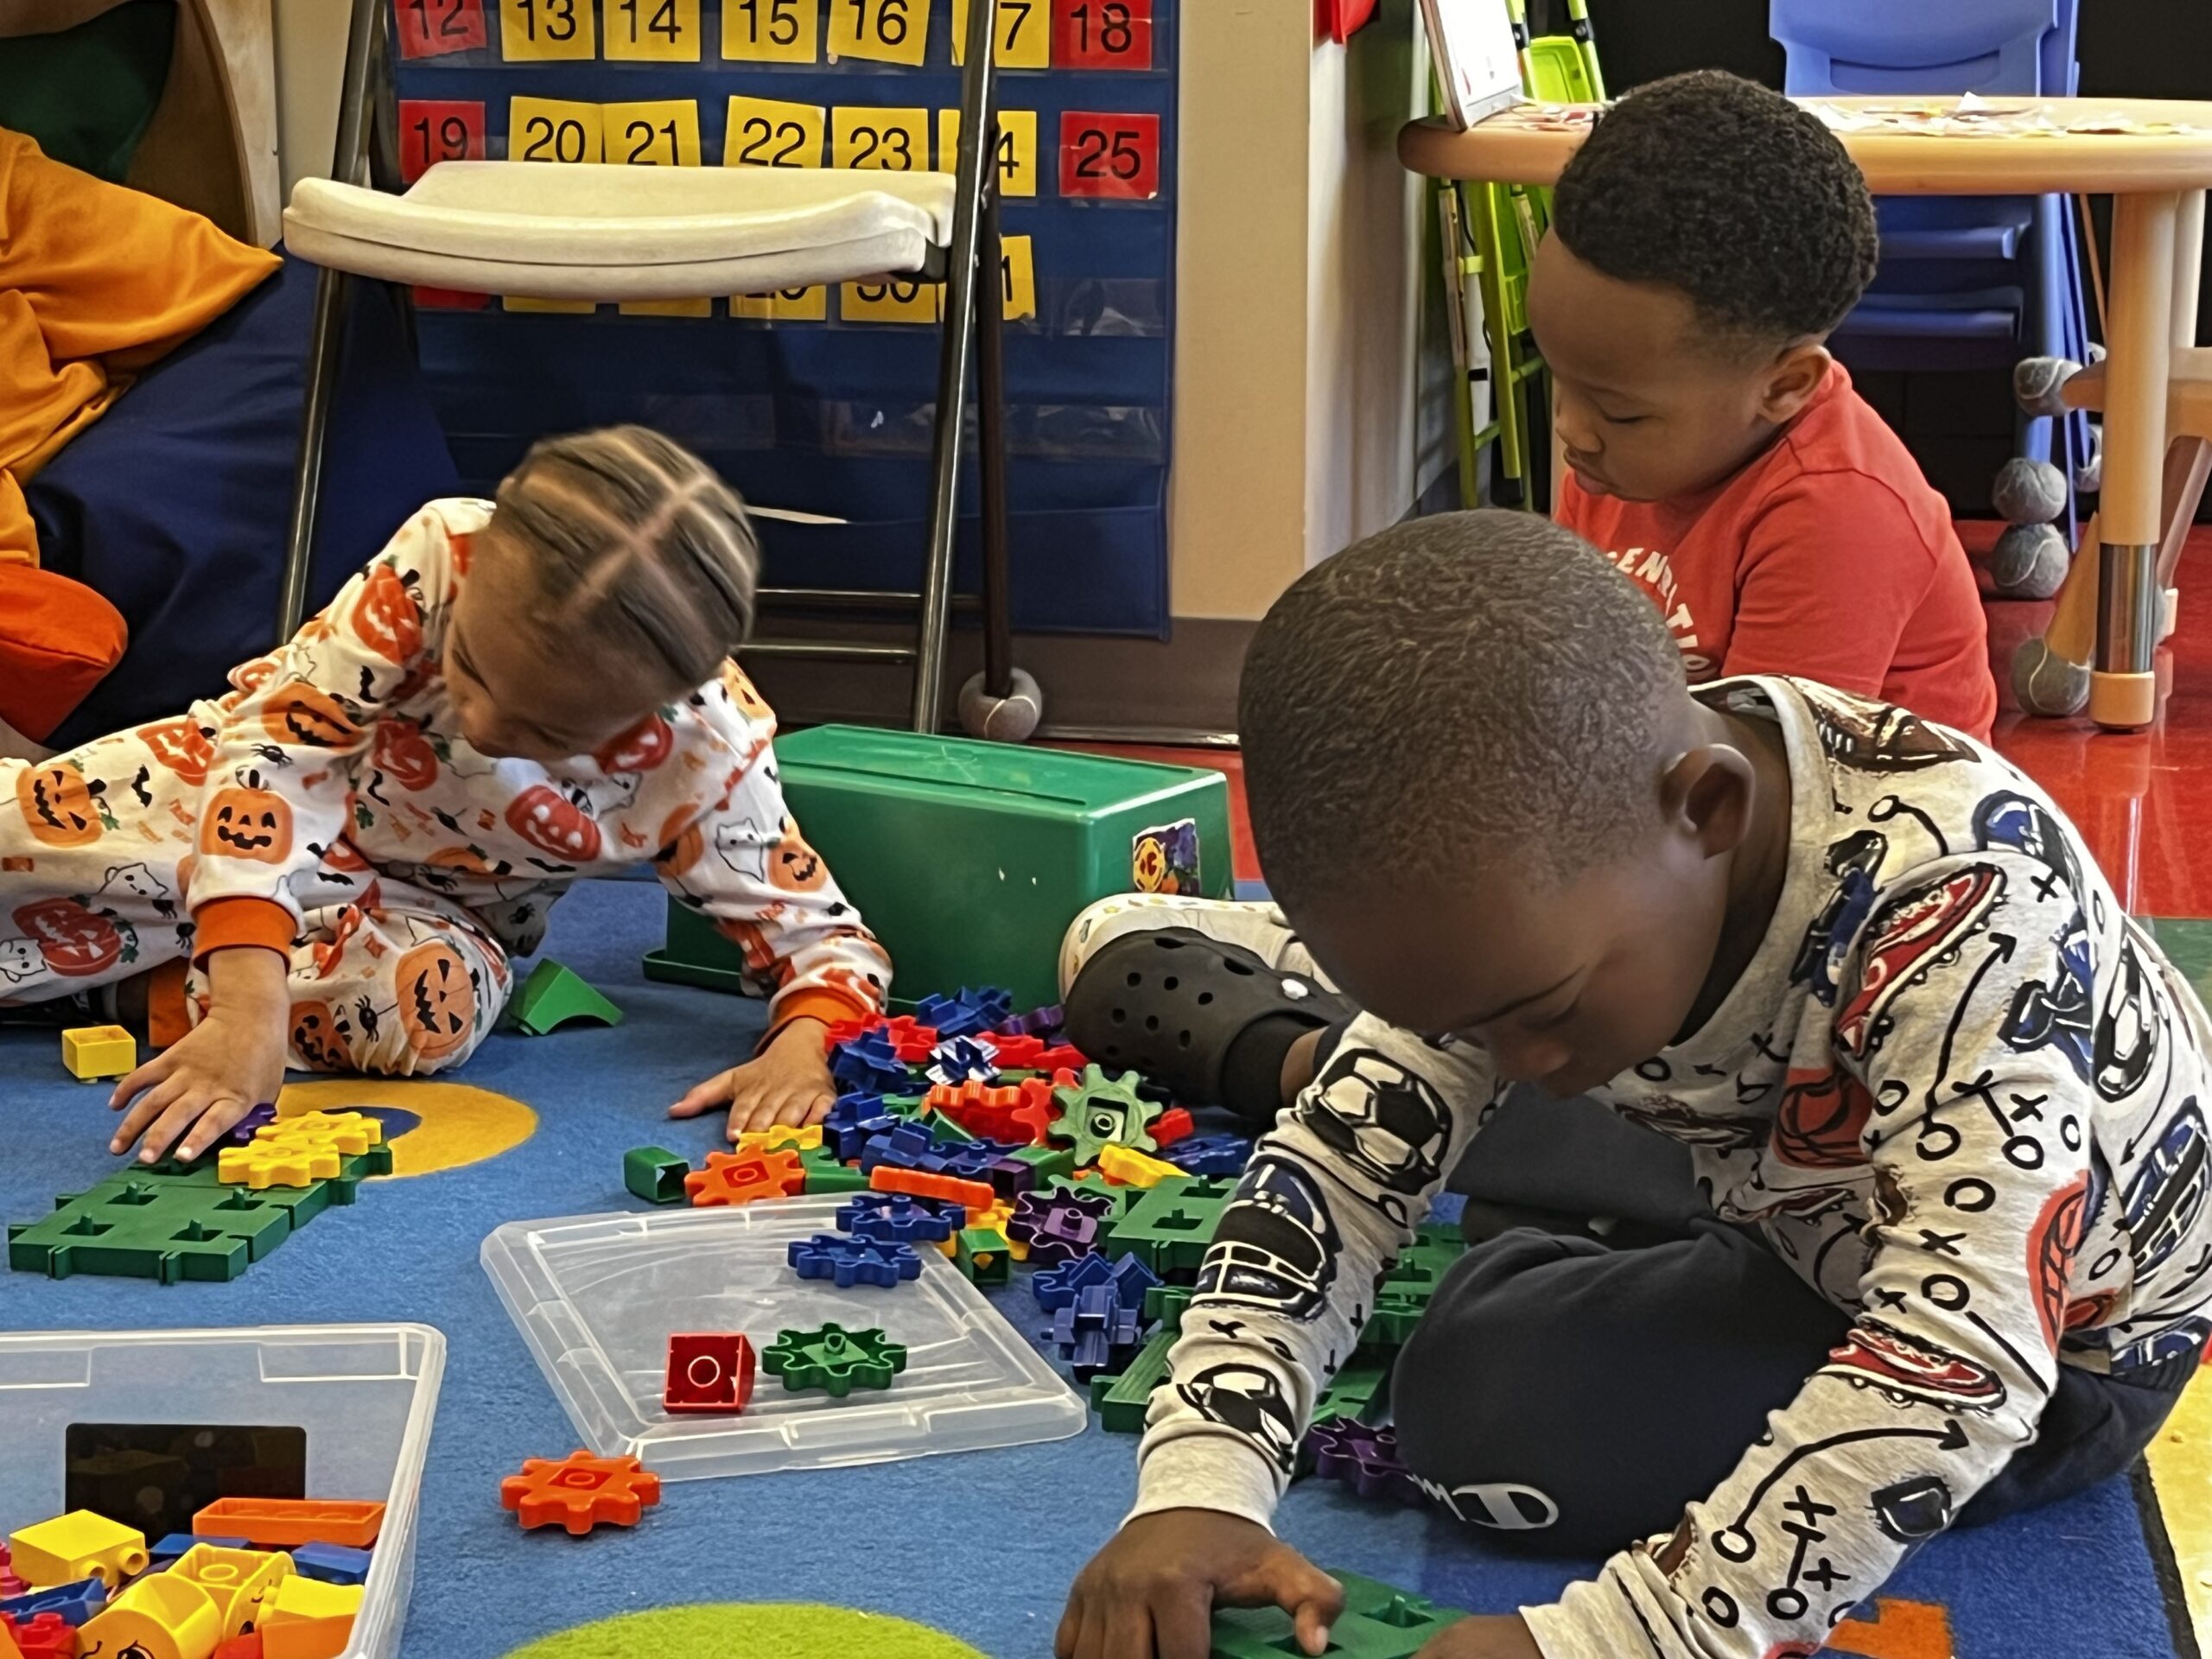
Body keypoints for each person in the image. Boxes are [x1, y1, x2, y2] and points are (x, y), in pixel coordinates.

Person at [1056, 512, 2210, 1659]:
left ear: (1708, 811)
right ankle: (1392, 1063)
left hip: (2060, 1346)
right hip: (1769, 1166)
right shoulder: (1588, 869)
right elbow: (1337, 1174)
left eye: (1534, 1008)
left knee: (1487, 1424)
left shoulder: (1969, 922)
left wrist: (1613, 1641)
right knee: (1515, 1082)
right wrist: (1197, 1482)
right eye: (1464, 1024)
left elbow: (1959, 1361)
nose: (1522, 1059)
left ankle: (1354, 1060)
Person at [0, 426, 888, 1165]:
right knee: (31, 832)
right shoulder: (445, 551)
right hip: (267, 793)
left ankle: (113, 989)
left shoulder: (706, 755)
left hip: (438, 908)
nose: (488, 728)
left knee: (419, 1015)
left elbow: (827, 941)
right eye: (466, 670)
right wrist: (244, 998)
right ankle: (187, 977)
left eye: (548, 733)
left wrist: (804, 1043)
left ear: (658, 707)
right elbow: (279, 749)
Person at [1534, 70, 1996, 741]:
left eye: (1619, 412)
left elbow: (1757, 789)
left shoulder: (1841, 511)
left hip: (1856, 820)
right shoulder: (1625, 451)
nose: (1571, 428)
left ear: (1784, 388)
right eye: (1560, 380)